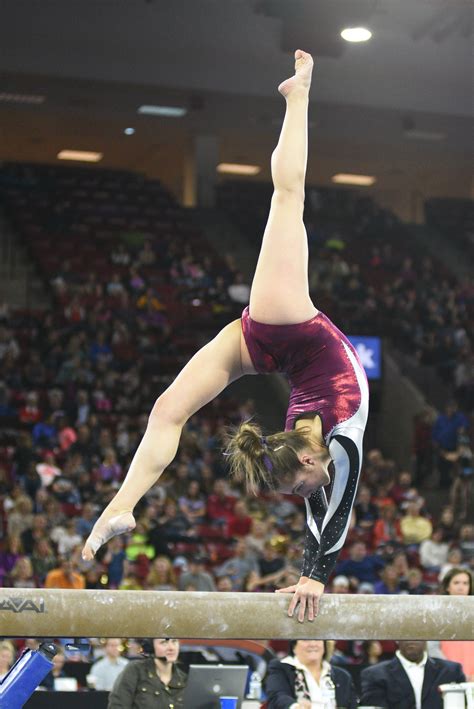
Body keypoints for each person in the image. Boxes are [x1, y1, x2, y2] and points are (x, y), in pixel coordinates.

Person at [82, 50, 369, 622]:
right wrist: (315, 575)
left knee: (167, 410)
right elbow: (335, 510)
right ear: (315, 458)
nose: (302, 493)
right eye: (300, 487)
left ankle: (118, 508)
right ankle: (300, 94)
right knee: (287, 199)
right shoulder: (341, 445)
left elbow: (320, 508)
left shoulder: (300, 451)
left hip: (267, 343)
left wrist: (313, 571)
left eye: (292, 490)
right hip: (291, 327)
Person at [360, 640, 465, 708]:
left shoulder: (451, 670)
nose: (411, 640)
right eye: (406, 634)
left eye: (417, 633)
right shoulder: (375, 675)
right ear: (397, 639)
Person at [265, 640, 357, 708]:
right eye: (306, 640)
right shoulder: (281, 668)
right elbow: (277, 696)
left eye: (317, 639)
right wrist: (295, 706)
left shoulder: (342, 675)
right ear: (294, 646)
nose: (312, 644)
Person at [107, 638, 186, 709]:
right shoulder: (135, 670)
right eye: (164, 643)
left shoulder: (184, 680)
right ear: (151, 646)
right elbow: (117, 705)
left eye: (174, 641)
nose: (171, 648)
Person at [428, 567, 474, 680]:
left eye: (465, 583)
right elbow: (432, 648)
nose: (461, 587)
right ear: (448, 587)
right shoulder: (437, 613)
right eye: (456, 583)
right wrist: (452, 671)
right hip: (446, 675)